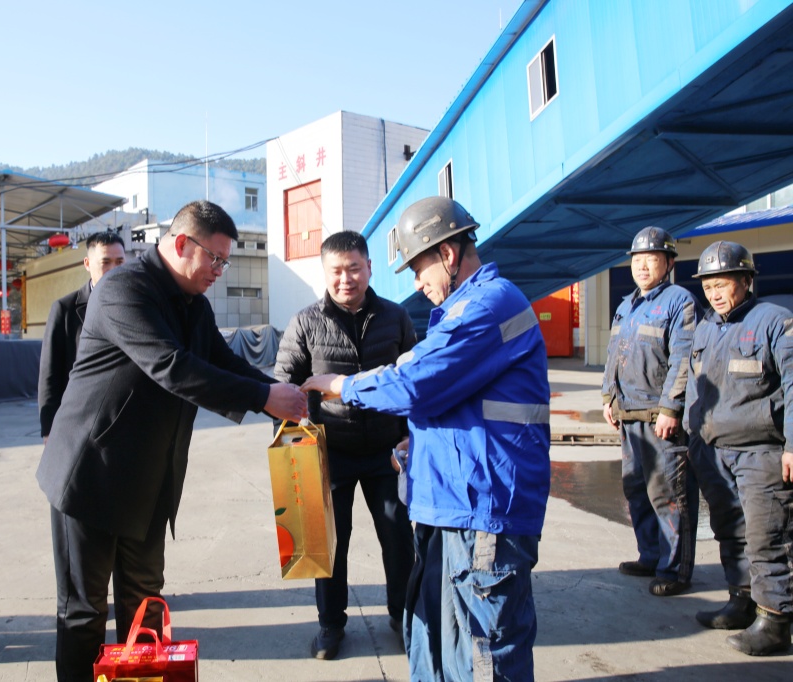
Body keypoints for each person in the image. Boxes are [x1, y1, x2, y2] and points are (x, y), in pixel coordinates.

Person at [35, 200, 308, 681]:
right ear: (182, 243)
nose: (220, 271)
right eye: (216, 259)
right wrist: (265, 397)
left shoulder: (193, 304)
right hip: (90, 477)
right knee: (83, 612)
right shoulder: (124, 289)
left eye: (225, 262)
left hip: (146, 482)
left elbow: (222, 362)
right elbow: (171, 366)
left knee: (144, 605)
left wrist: (280, 393)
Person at [301, 196, 551, 681]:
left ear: (448, 255)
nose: (417, 283)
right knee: (438, 646)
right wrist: (420, 442)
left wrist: (343, 385)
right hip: (453, 503)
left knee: (483, 653)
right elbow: (457, 398)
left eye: (418, 269)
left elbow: (416, 383)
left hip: (483, 510)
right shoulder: (463, 309)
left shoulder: (486, 306)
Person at [275, 231, 416, 660]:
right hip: (329, 454)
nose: (345, 279)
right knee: (329, 545)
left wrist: (411, 433)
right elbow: (283, 385)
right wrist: (293, 441)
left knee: (398, 538)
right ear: (325, 273)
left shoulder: (396, 318)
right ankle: (331, 625)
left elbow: (416, 380)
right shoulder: (305, 322)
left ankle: (404, 616)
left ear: (369, 268)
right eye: (336, 271)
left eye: (354, 268)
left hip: (386, 451)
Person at [683, 240, 792, 656]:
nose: (714, 293)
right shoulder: (706, 328)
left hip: (761, 451)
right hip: (714, 451)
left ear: (746, 280)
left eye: (722, 284)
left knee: (768, 536)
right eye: (708, 286)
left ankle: (776, 619)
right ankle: (741, 601)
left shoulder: (774, 321)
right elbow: (695, 387)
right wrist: (693, 437)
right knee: (730, 530)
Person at [601, 226, 701, 596]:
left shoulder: (680, 302)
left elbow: (683, 360)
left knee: (669, 494)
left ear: (669, 263)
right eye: (638, 260)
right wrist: (608, 398)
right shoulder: (626, 306)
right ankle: (650, 556)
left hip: (661, 420)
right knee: (637, 490)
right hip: (628, 415)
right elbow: (614, 355)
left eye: (651, 259)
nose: (642, 266)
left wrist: (671, 408)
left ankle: (675, 570)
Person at [38, 230, 127, 441]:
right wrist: (49, 430)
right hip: (80, 422)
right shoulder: (65, 309)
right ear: (87, 264)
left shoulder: (135, 305)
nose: (113, 269)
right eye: (105, 262)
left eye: (119, 262)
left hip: (124, 420)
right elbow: (50, 373)